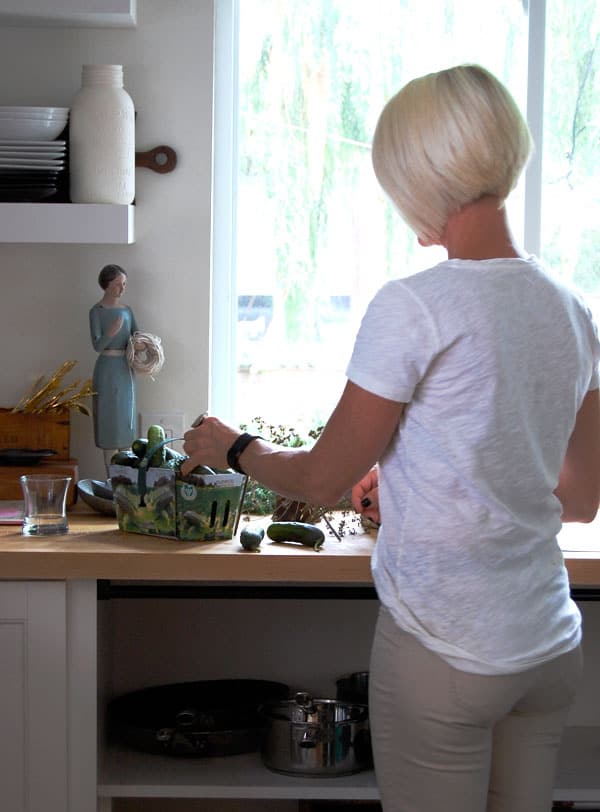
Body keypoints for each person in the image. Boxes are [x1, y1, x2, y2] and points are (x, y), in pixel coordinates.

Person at [181, 64, 600, 812]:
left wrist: (233, 447)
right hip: (546, 646)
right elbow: (579, 499)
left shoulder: (416, 305)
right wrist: (414, 485)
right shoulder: (571, 311)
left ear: (422, 176)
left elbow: (317, 479)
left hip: (446, 648)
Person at [89, 264, 139, 472]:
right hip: (106, 370)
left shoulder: (127, 310)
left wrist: (141, 344)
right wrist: (111, 332)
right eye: (118, 284)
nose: (122, 289)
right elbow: (97, 345)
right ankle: (110, 474)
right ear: (107, 285)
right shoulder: (96, 311)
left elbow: (137, 334)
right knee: (108, 415)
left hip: (124, 368)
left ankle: (126, 472)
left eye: (124, 284)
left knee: (126, 414)